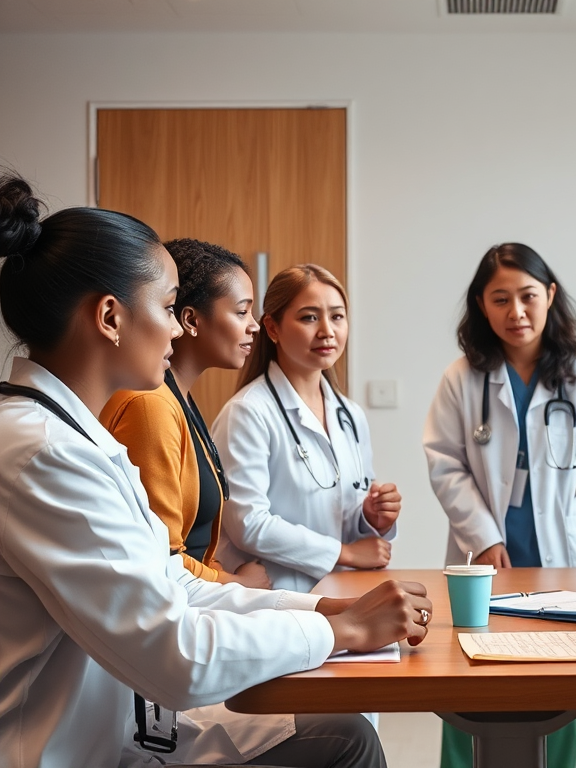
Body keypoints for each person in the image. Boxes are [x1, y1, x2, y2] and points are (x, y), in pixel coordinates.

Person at [0, 173, 432, 768]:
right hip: (64, 748)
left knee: (347, 733)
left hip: (122, 723)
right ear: (109, 317)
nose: (179, 328)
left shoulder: (79, 436)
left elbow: (171, 581)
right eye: (170, 308)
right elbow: (176, 657)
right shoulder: (43, 452)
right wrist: (343, 632)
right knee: (344, 739)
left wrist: (318, 610)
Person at [423, 242, 576, 768]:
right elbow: (444, 463)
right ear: (481, 304)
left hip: (562, 545)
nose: (516, 312)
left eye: (527, 296)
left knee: (559, 682)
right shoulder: (462, 377)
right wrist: (485, 535)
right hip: (488, 552)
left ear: (550, 295)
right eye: (500, 299)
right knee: (471, 678)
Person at [212, 264, 401, 594]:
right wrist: (344, 553)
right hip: (276, 598)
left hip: (344, 593)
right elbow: (247, 523)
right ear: (272, 328)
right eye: (309, 317)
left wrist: (372, 517)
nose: (327, 331)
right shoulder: (248, 412)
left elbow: (343, 513)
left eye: (337, 317)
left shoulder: (350, 415)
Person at [101, 238, 268, 588]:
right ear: (190, 320)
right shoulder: (151, 405)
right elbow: (163, 558)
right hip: (184, 608)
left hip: (202, 597)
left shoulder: (180, 399)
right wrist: (237, 585)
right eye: (241, 312)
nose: (254, 325)